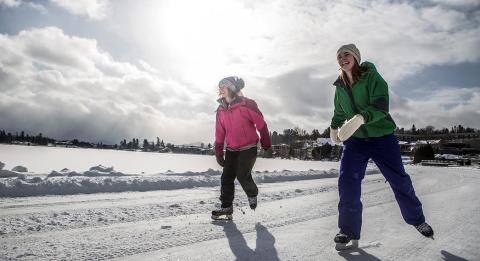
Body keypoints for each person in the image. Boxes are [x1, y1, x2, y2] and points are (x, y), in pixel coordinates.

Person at [329, 44, 434, 249]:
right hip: (356, 141)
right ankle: (347, 231)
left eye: (346, 54)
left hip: (382, 137)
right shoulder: (340, 86)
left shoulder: (372, 77)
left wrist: (361, 118)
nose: (342, 59)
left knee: (399, 180)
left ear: (356, 57)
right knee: (347, 182)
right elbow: (339, 112)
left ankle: (417, 219)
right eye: (339, 56)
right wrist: (334, 127)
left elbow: (380, 106)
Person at [212, 76, 272, 220]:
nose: (220, 89)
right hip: (232, 149)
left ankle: (252, 193)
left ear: (232, 88)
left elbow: (261, 125)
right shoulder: (221, 110)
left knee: (242, 174)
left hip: (249, 147)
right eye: (219, 86)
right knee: (226, 177)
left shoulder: (247, 104)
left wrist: (266, 145)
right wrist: (219, 152)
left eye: (224, 86)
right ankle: (226, 207)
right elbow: (220, 133)